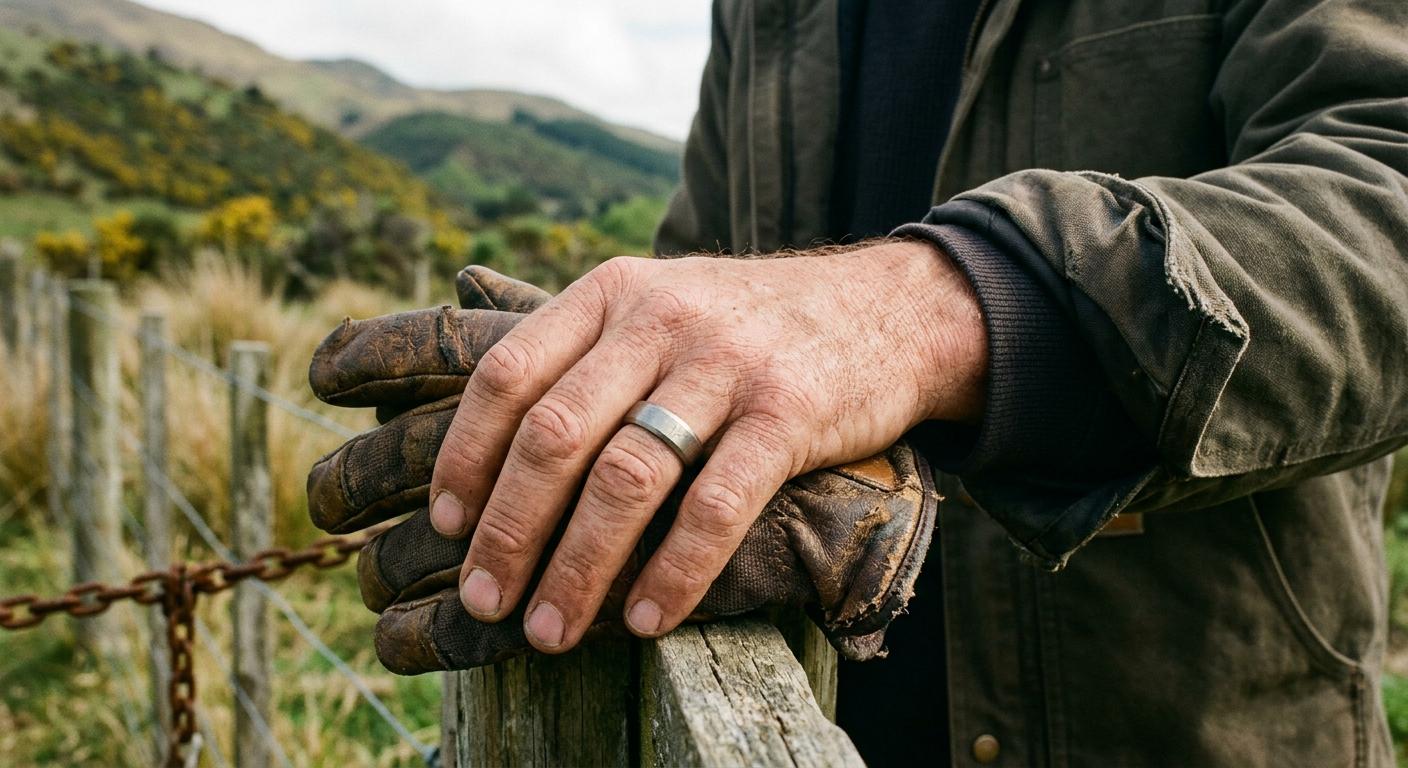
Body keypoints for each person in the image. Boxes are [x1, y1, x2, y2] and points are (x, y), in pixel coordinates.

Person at [321, 0, 1408, 765]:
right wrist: (643, 407)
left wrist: (921, 317)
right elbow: (711, 250)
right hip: (775, 710)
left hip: (1178, 722)